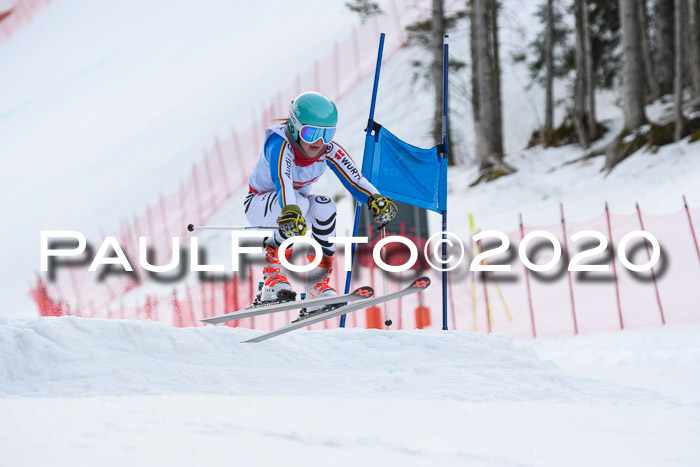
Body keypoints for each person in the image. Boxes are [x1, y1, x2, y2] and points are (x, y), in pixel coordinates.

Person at [244, 91, 397, 316]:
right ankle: (272, 277)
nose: (320, 141)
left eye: (327, 134)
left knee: (326, 206)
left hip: (293, 207)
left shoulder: (327, 150)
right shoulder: (279, 143)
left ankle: (317, 283)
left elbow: (355, 179)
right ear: (295, 128)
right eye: (312, 132)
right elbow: (282, 180)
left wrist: (376, 199)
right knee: (302, 206)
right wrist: (291, 210)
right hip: (260, 204)